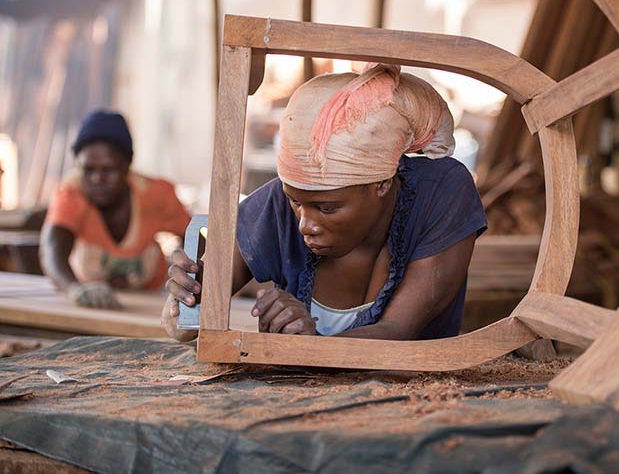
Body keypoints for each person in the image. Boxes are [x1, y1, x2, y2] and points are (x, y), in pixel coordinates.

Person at [163, 63, 486, 341]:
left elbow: (396, 332)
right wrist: (186, 300)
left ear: (382, 184)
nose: (306, 224)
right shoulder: (278, 205)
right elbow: (188, 323)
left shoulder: (440, 193)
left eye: (328, 208)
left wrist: (310, 345)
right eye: (296, 203)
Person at [40, 110, 192, 308]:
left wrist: (192, 281)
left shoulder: (155, 194)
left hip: (150, 304)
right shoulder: (71, 194)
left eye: (108, 169)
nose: (97, 179)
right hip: (90, 306)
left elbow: (197, 240)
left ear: (127, 165)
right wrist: (74, 289)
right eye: (88, 170)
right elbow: (51, 250)